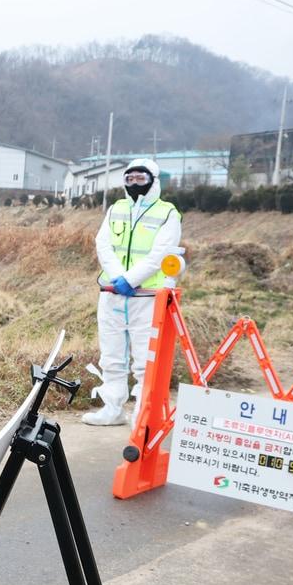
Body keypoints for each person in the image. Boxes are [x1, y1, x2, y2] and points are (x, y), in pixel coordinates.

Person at [83, 157, 183, 426]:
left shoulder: (167, 213)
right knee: (111, 356)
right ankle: (112, 408)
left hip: (147, 296)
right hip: (112, 293)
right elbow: (103, 244)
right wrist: (118, 277)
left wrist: (131, 279)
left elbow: (160, 253)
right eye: (130, 178)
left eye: (141, 178)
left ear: (153, 181)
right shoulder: (116, 209)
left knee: (144, 358)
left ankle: (142, 412)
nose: (135, 183)